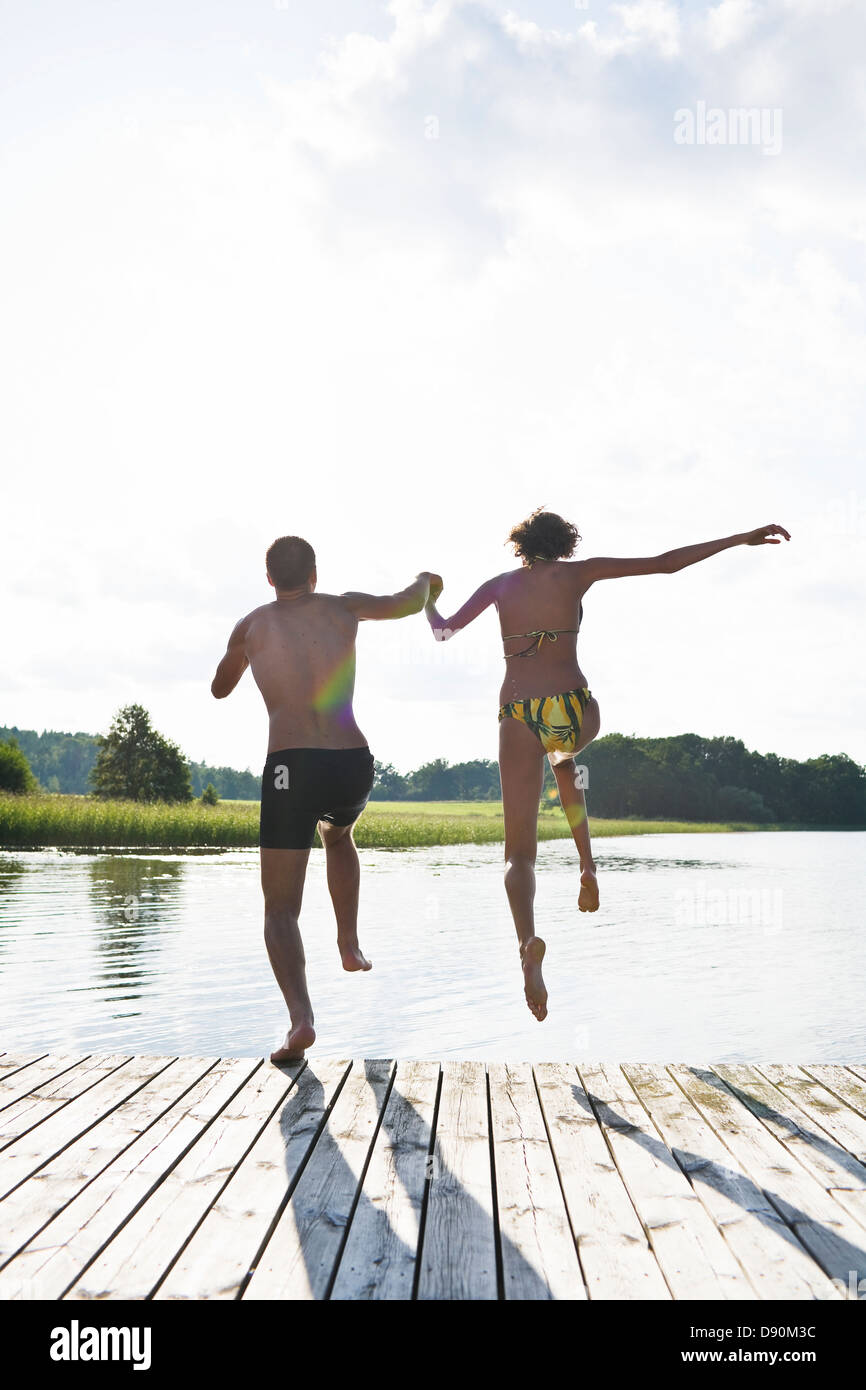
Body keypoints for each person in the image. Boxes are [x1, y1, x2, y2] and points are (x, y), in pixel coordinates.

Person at [424, 509, 790, 1023]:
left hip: (517, 714)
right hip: (573, 709)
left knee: (518, 853)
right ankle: (588, 864)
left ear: (520, 546)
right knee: (566, 755)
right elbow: (665, 564)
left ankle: (526, 941)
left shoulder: (498, 586)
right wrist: (739, 538)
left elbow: (442, 634)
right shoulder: (578, 573)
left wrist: (427, 596)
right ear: (564, 545)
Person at [211, 534, 440, 1061]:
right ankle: (349, 942)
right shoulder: (345, 607)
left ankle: (300, 1021)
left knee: (280, 909)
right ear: (315, 574)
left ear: (270, 579)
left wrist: (243, 654)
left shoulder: (251, 624)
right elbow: (408, 602)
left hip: (291, 766)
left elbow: (220, 688)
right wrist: (428, 583)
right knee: (339, 837)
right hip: (350, 761)